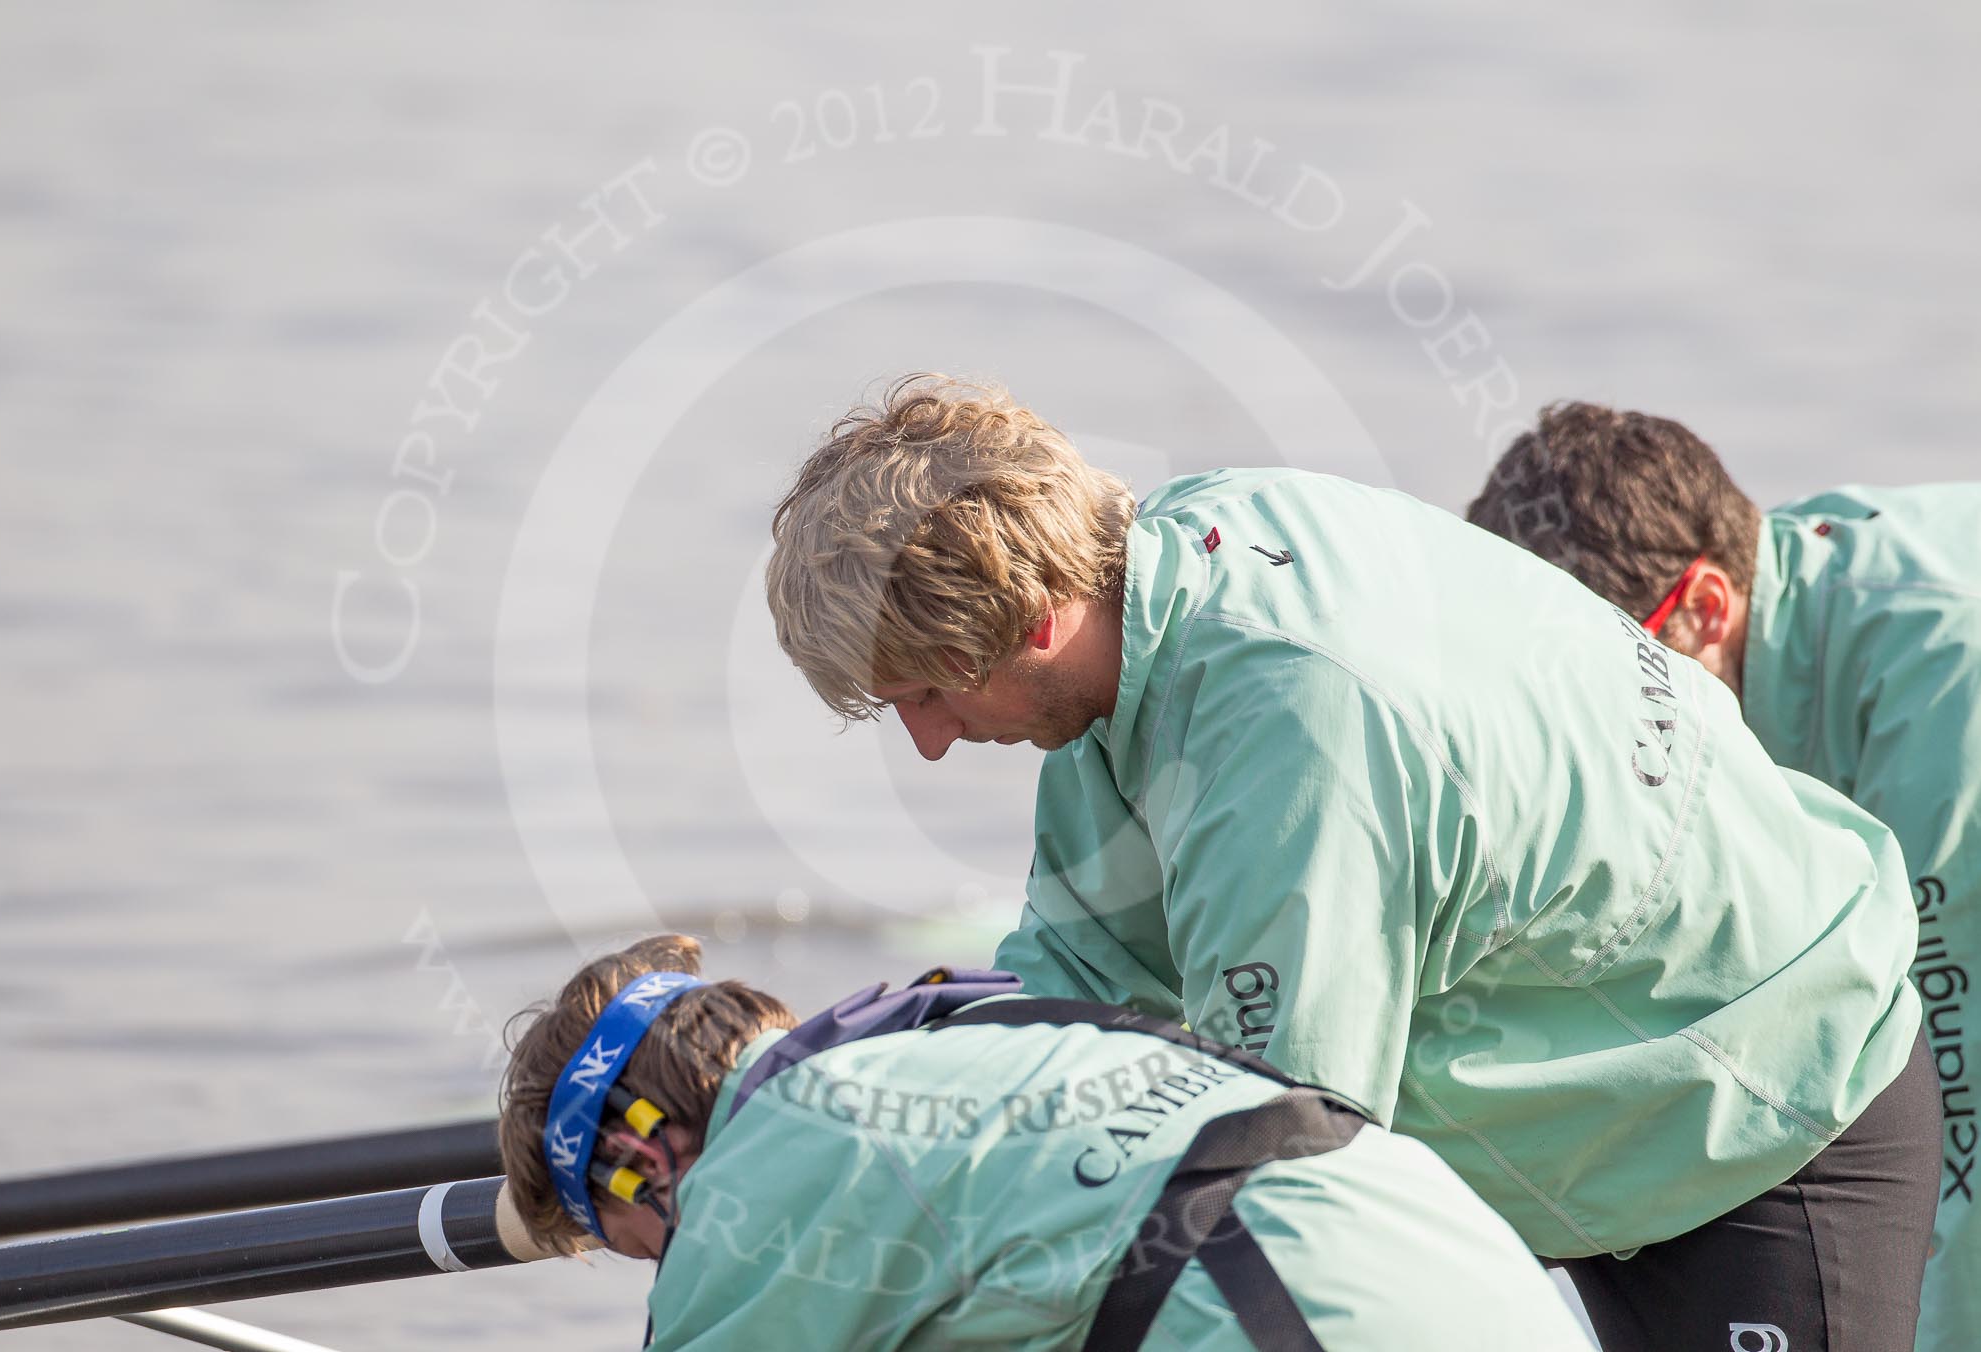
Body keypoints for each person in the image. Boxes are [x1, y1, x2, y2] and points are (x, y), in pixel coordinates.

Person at [763, 374, 1942, 1352]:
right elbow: (1078, 1000)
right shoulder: (1148, 576)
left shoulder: (1288, 726)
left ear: (1033, 619)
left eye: (927, 693)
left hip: (1771, 1094)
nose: (927, 741)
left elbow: (1289, 1161)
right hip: (1587, 1104)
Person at [1466, 400, 1981, 1352]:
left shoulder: (1938, 685)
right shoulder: (1771, 590)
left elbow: (1965, 1113)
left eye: (1608, 689)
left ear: (1706, 605)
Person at [497, 934, 1595, 1350]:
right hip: (1486, 1281)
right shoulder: (967, 1023)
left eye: (649, 1245)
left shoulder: (763, 1163)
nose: (679, 1259)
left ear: (645, 1156)